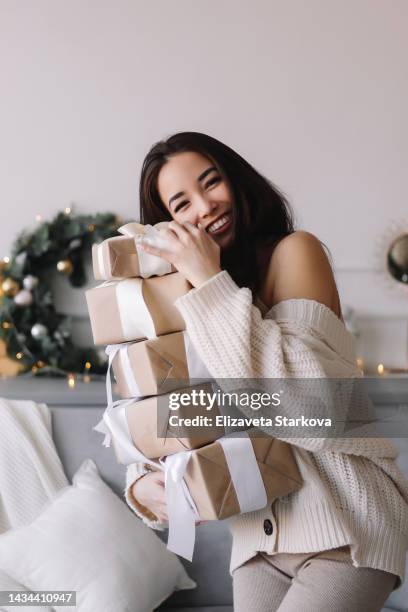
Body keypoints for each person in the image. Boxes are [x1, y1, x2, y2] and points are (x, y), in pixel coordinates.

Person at [124, 131, 408, 611]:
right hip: (257, 542)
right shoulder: (193, 302)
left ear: (237, 181)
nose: (205, 207)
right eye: (181, 204)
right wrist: (144, 483)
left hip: (346, 524)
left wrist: (209, 281)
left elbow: (310, 410)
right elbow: (185, 411)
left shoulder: (295, 252)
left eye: (212, 183)